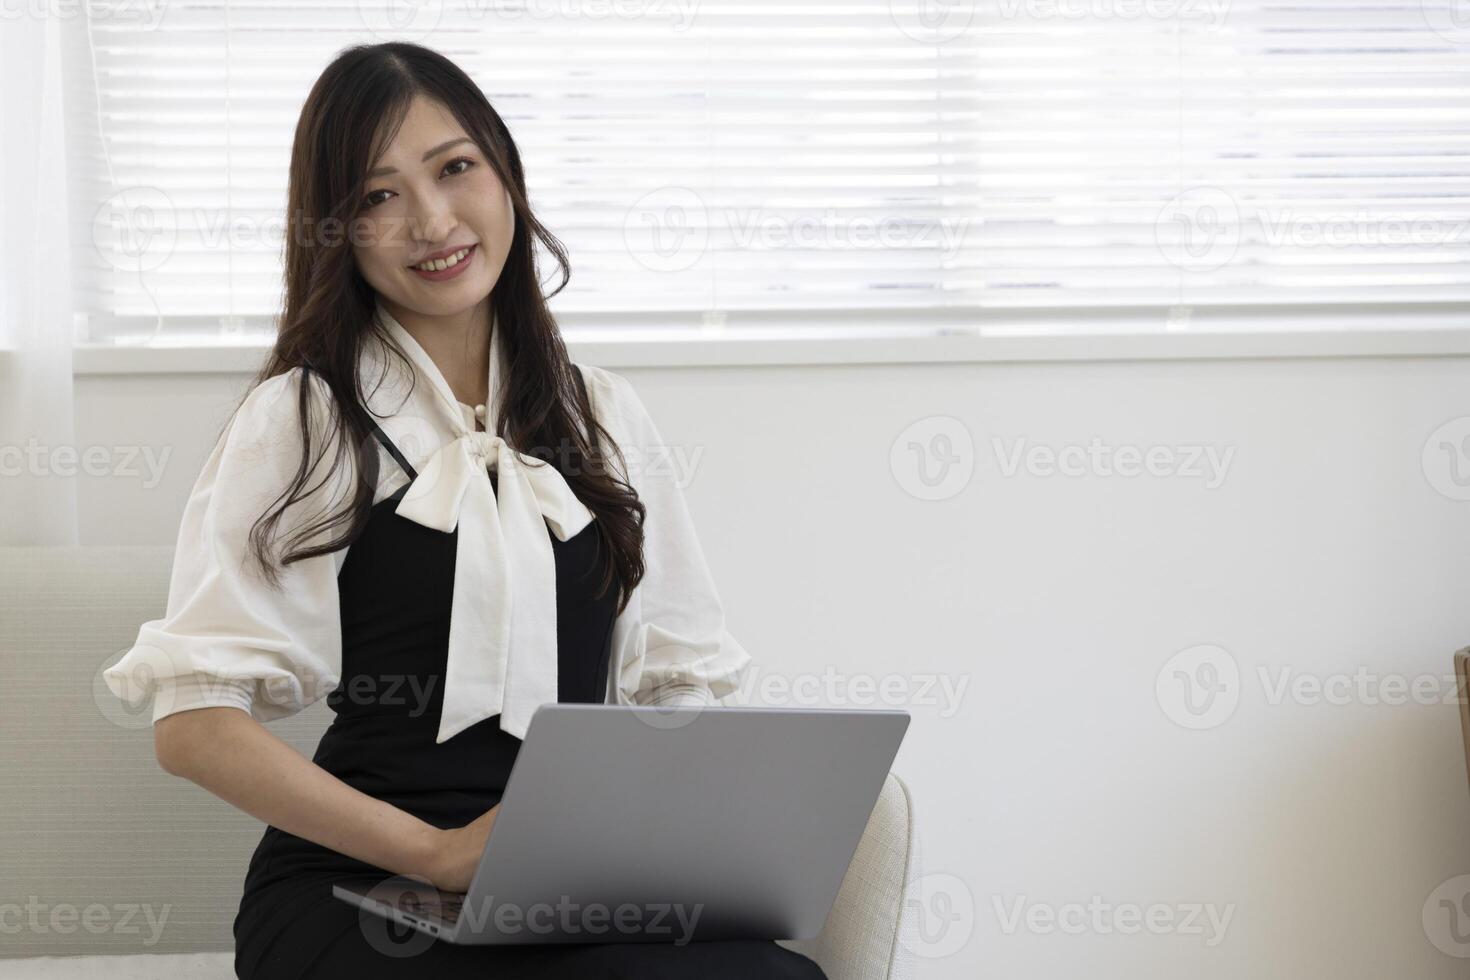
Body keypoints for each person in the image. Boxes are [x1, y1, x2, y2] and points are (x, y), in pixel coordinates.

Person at [101, 40, 827, 980]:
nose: (431, 220)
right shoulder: (305, 417)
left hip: (573, 881)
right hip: (357, 885)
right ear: (338, 230)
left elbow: (676, 691)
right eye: (377, 196)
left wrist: (676, 849)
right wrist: (439, 856)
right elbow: (194, 725)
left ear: (507, 175)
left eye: (455, 169)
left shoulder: (601, 412)